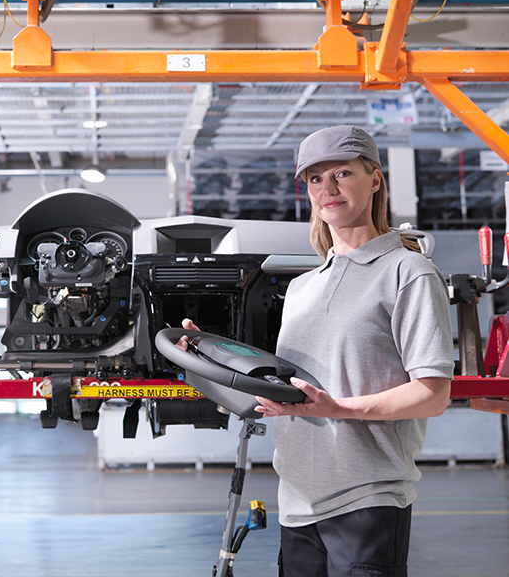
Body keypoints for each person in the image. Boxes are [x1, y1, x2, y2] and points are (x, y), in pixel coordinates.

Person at [181, 125, 454, 577]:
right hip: (297, 500)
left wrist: (339, 408)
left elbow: (432, 394)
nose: (328, 189)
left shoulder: (408, 272)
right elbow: (286, 388)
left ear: (375, 179)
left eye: (343, 173)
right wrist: (212, 356)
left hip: (367, 496)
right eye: (314, 179)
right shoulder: (303, 287)